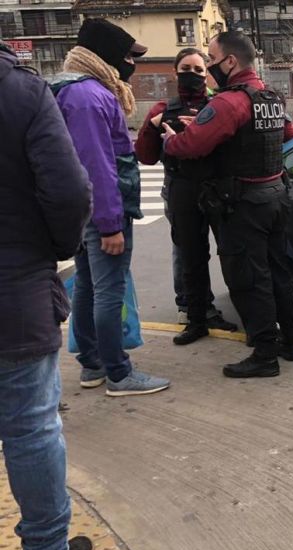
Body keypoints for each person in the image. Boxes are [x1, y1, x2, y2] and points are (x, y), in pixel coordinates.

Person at [1, 39, 95, 550]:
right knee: (31, 429)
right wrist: (56, 250)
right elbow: (68, 193)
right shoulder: (21, 92)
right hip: (12, 295)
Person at [161, 31, 293, 378]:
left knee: (249, 279)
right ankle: (290, 343)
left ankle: (265, 353)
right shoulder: (270, 97)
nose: (208, 67)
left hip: (245, 205)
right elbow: (292, 136)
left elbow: (191, 146)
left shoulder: (228, 102)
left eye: (210, 59)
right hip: (276, 195)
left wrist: (171, 139)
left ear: (230, 62)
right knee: (278, 272)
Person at [51, 18, 172, 395]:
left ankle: (93, 365)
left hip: (83, 211)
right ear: (104, 54)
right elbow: (98, 167)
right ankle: (118, 373)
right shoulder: (89, 97)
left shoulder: (73, 90)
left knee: (87, 285)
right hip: (102, 212)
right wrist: (110, 225)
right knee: (109, 290)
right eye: (126, 55)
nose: (130, 63)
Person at [135, 47, 237, 346]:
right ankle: (196, 318)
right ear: (175, 72)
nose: (192, 75)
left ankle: (230, 310)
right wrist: (154, 128)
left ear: (207, 73)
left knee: (229, 253)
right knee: (191, 258)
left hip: (216, 190)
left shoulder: (218, 106)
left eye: (198, 70)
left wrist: (201, 132)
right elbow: (145, 156)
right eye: (186, 69)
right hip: (181, 189)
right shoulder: (162, 109)